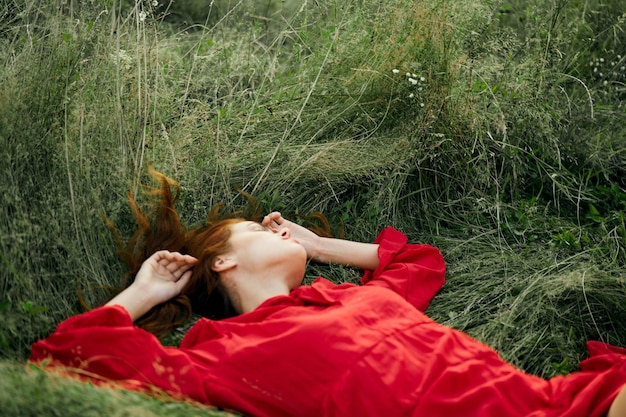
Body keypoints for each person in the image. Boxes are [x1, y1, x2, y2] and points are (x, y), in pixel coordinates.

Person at [30, 171, 626, 417]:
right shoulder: (224, 353)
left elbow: (418, 263)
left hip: (551, 404)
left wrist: (319, 246)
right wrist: (142, 293)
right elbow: (70, 353)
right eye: (255, 229)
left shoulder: (346, 296)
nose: (273, 224)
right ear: (225, 260)